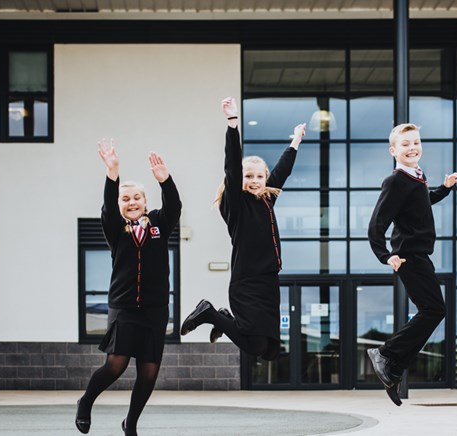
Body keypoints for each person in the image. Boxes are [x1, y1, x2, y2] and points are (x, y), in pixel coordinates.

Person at [179, 96, 304, 362]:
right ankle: (209, 313)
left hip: (269, 280)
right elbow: (232, 164)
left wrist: (295, 141)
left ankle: (223, 317)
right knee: (257, 346)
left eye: (260, 176)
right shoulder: (234, 203)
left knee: (270, 351)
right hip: (247, 280)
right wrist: (232, 123)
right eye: (249, 176)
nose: (255, 181)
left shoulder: (267, 199)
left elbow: (283, 171)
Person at [76, 139, 182, 436]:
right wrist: (113, 174)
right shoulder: (115, 230)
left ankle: (131, 423)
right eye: (126, 199)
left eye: (137, 197)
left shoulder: (161, 224)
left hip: (155, 311)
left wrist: (165, 180)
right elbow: (109, 206)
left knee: (148, 373)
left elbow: (174, 205)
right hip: (123, 309)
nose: (132, 202)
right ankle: (85, 402)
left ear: (145, 202)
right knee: (115, 365)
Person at [366, 123, 457, 406]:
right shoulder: (396, 180)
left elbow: (421, 203)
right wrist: (385, 255)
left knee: (433, 310)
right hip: (409, 256)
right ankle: (386, 355)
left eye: (416, 142)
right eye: (405, 144)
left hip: (420, 255)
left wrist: (444, 189)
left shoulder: (416, 178)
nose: (412, 148)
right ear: (393, 150)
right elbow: (376, 225)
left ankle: (392, 364)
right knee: (434, 310)